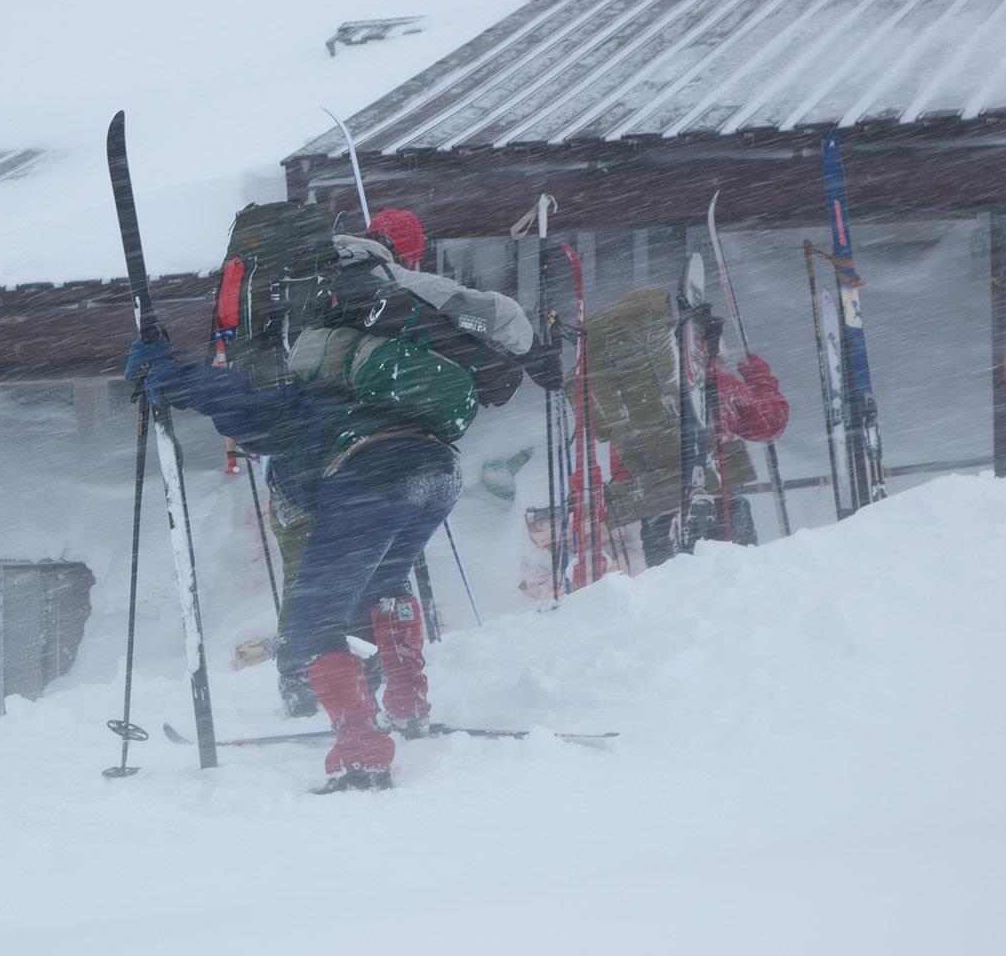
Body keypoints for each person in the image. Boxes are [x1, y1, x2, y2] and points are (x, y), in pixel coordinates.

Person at [133, 214, 546, 792]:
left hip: (370, 474)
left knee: (313, 621)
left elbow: (242, 406)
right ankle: (408, 704)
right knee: (387, 585)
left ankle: (360, 748)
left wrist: (171, 379)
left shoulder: (306, 405)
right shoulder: (375, 388)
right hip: (436, 472)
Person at [582, 287, 788, 567]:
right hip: (721, 503)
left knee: (671, 592)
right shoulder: (716, 385)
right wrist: (761, 379)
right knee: (738, 583)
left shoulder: (626, 400)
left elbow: (609, 447)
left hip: (657, 513)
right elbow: (770, 423)